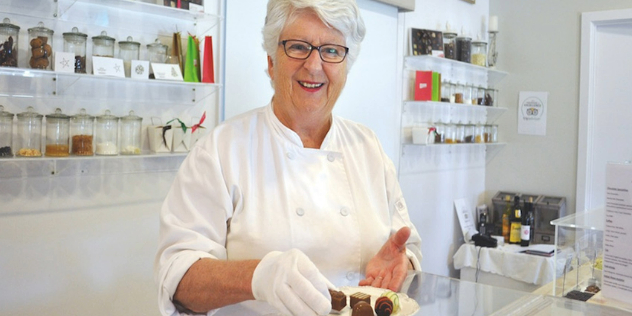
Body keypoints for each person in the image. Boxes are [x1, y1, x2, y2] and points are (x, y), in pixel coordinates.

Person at [154, 0, 422, 315]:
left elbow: (407, 245)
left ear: (346, 67)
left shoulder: (368, 148)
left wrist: (403, 261)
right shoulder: (222, 150)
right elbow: (177, 279)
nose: (314, 65)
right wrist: (255, 277)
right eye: (298, 47)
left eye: (332, 51)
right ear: (271, 61)